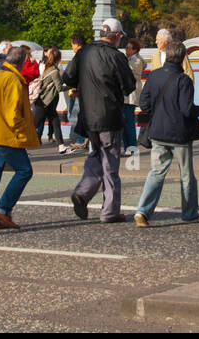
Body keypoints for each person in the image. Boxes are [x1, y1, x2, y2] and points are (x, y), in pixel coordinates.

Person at [65, 18, 137, 223]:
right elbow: (129, 85)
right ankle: (109, 211)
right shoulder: (116, 56)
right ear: (115, 36)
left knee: (95, 156)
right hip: (110, 116)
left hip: (88, 117)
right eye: (120, 37)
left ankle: (83, 192)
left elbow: (67, 77)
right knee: (110, 164)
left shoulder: (84, 52)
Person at [133, 40, 199, 226]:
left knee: (156, 172)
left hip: (157, 132)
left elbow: (145, 104)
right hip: (180, 133)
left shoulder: (154, 76)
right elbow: (187, 110)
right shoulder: (184, 80)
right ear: (182, 58)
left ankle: (143, 210)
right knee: (186, 175)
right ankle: (189, 212)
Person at [0, 44, 39, 229]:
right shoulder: (14, 80)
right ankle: (3, 209)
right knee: (24, 171)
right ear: (21, 62)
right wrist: (23, 135)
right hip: (7, 136)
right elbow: (14, 115)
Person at [33, 46, 66, 151]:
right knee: (33, 125)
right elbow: (59, 87)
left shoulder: (48, 68)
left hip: (48, 101)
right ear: (58, 59)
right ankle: (17, 145)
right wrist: (72, 86)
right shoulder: (54, 71)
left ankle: (61, 146)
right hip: (44, 102)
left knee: (56, 123)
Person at [62, 30, 87, 152]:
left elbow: (69, 76)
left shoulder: (78, 56)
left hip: (79, 91)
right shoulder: (90, 53)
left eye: (72, 44)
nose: (72, 47)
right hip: (88, 90)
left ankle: (80, 140)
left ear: (76, 44)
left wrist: (73, 87)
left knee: (75, 116)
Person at [123, 39, 146, 155]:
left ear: (134, 50)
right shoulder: (131, 59)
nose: (126, 50)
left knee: (129, 123)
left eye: (128, 48)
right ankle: (127, 146)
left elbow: (126, 71)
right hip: (127, 95)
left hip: (130, 95)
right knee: (124, 122)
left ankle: (131, 147)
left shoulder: (136, 61)